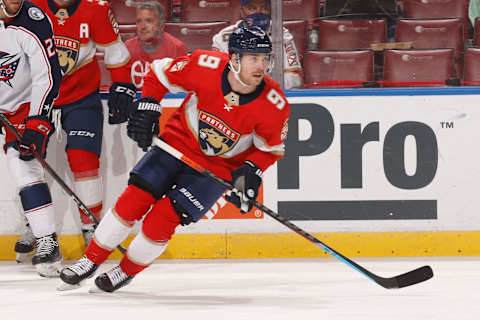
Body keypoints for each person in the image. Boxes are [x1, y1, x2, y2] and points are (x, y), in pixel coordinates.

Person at [59, 26, 290, 293]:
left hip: (216, 169)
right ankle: (89, 260)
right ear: (234, 58)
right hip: (176, 146)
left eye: (265, 58)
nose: (262, 66)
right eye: (254, 58)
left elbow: (270, 149)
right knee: (133, 200)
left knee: (163, 219)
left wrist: (252, 170)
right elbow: (158, 73)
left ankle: (125, 271)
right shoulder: (206, 65)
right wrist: (149, 103)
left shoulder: (275, 104)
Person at [17, 0, 135, 253]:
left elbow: (116, 53)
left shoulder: (96, 9)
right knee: (30, 159)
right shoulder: (29, 6)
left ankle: (91, 226)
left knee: (83, 158)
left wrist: (123, 84)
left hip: (81, 97)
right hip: (37, 96)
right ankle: (37, 227)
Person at [0, 0, 62, 276]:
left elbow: (47, 76)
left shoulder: (33, 19)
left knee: (24, 166)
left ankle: (48, 241)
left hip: (26, 106)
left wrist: (37, 121)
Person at [212, 0, 303, 90]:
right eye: (252, 8)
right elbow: (219, 78)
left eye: (264, 8)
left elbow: (294, 78)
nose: (258, 12)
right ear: (242, 12)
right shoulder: (223, 38)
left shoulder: (282, 35)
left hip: (272, 96)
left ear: (271, 11)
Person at [125, 1, 187, 89]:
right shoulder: (128, 47)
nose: (143, 26)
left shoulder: (177, 47)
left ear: (161, 24)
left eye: (149, 21)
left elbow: (182, 87)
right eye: (139, 21)